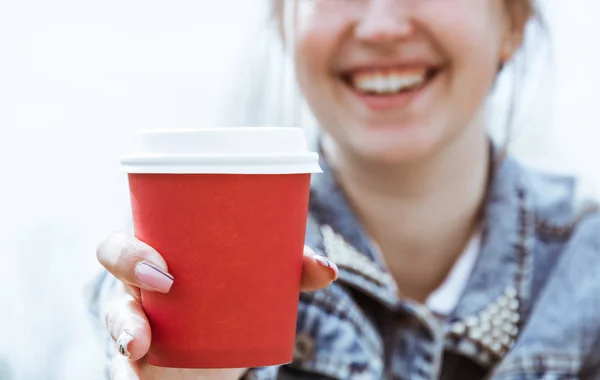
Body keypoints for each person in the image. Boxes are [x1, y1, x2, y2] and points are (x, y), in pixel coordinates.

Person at [91, 0, 600, 379]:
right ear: (283, 22)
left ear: (513, 21)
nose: (380, 26)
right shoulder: (164, 275)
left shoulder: (587, 270)